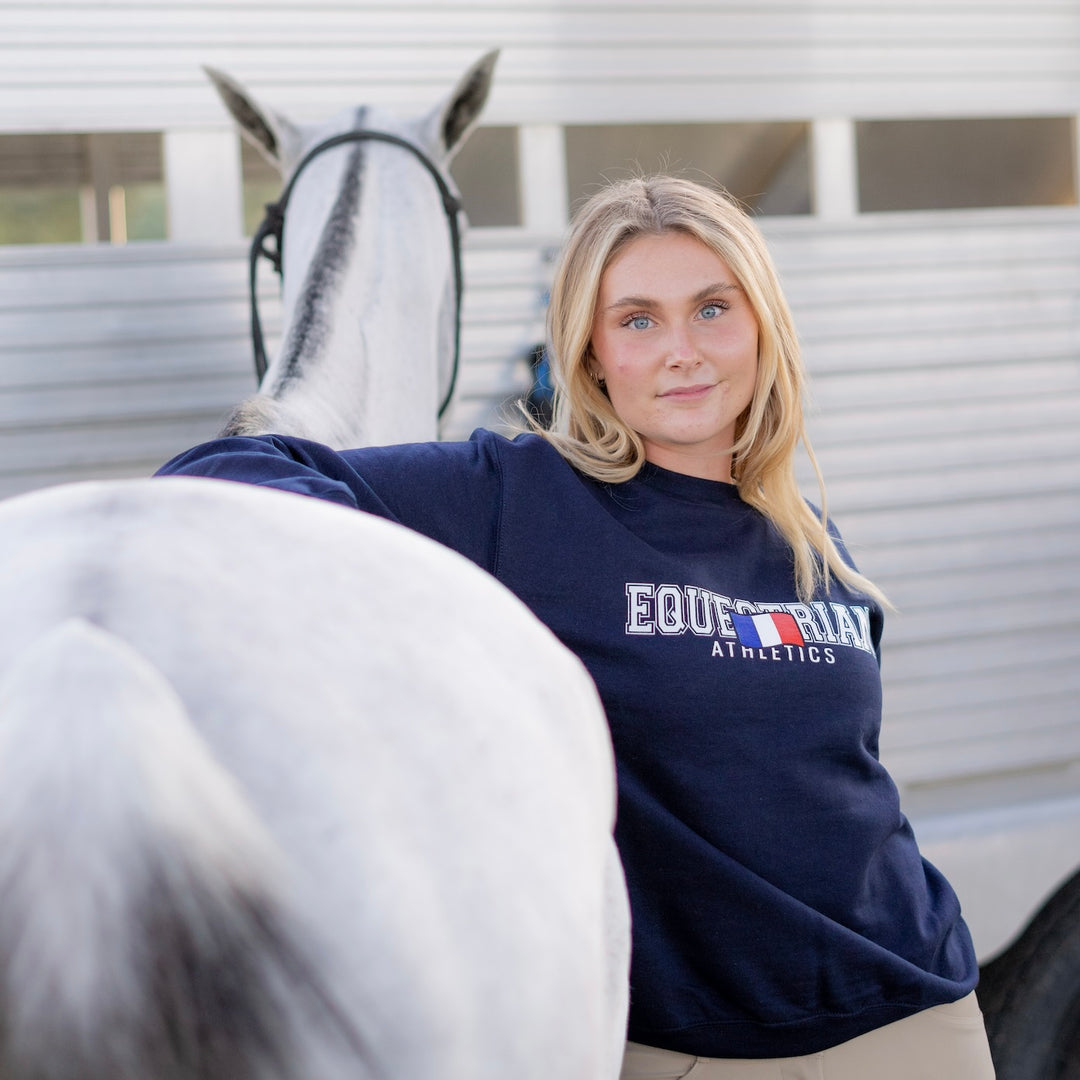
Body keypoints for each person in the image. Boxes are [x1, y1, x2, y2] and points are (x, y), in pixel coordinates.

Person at [157, 175, 996, 1079]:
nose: (683, 351)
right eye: (637, 319)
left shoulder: (808, 535)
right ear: (591, 352)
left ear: (763, 327)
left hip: (913, 1011)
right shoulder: (521, 499)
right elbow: (223, 472)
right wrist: (399, 605)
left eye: (713, 308)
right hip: (680, 1045)